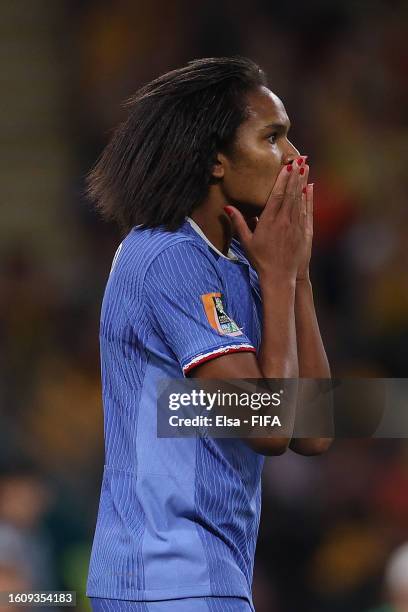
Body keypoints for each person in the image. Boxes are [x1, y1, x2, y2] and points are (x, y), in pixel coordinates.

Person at [85, 56, 332, 612]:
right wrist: (276, 275)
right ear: (217, 159)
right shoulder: (167, 256)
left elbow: (313, 431)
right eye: (273, 138)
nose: (294, 159)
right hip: (161, 577)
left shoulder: (241, 264)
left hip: (210, 575)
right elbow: (267, 429)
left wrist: (297, 277)